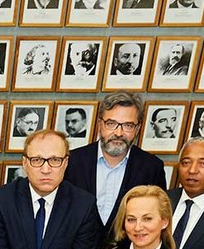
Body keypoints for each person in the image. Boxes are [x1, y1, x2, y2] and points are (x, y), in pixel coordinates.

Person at [67, 93, 166, 231]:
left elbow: (156, 220)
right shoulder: (72, 162)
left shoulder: (152, 167)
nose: (119, 133)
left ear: (137, 129)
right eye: (111, 124)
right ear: (99, 124)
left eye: (128, 125)